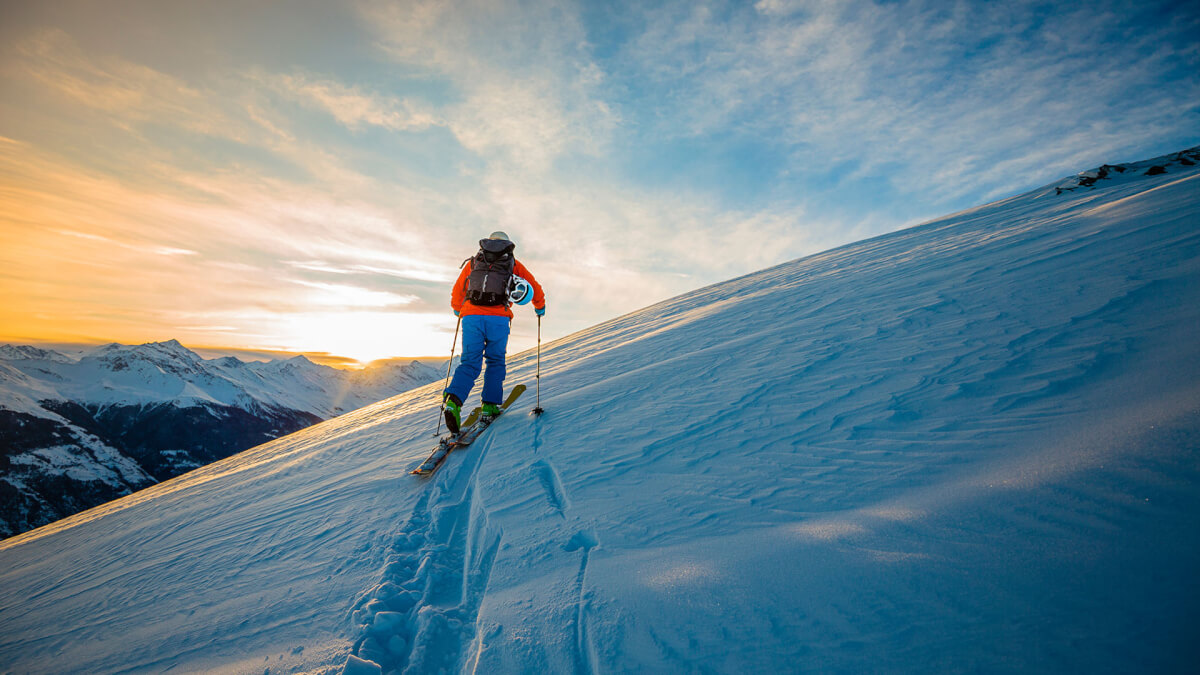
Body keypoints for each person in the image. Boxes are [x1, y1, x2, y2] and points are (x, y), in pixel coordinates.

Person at [442, 231, 545, 432]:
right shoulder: (512, 263)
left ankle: (453, 401)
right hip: (498, 318)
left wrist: (458, 308)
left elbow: (458, 290)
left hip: (471, 318)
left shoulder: (474, 262)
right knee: (495, 361)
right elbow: (533, 286)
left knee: (470, 362)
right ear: (507, 243)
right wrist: (539, 306)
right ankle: (489, 405)